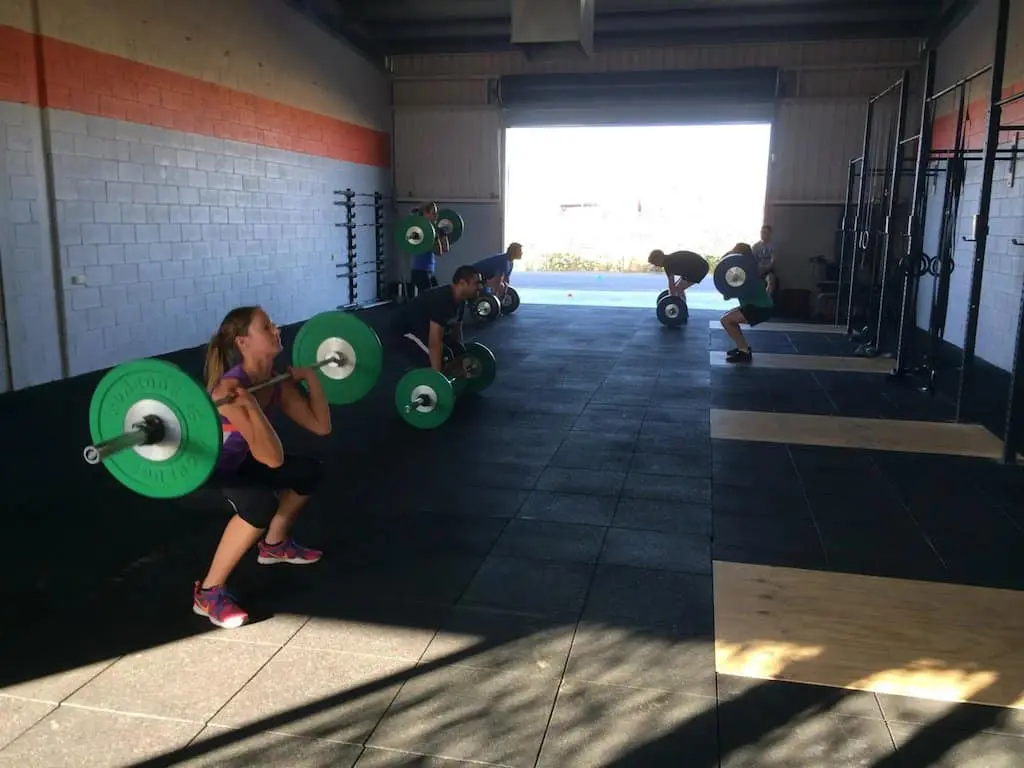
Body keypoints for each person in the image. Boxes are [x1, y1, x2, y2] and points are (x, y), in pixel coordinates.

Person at [192, 306, 332, 629]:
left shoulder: (273, 381)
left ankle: (274, 545)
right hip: (212, 470)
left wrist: (312, 379)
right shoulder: (229, 390)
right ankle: (209, 592)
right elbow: (272, 459)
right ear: (243, 342)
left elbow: (320, 425)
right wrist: (252, 406)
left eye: (273, 324)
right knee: (259, 504)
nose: (276, 328)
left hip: (242, 462)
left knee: (310, 471)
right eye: (266, 327)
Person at [390, 264, 483, 373]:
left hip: (425, 329)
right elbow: (434, 342)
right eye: (476, 283)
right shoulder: (441, 299)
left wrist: (460, 354)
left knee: (458, 352)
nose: (480, 287)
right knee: (442, 358)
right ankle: (424, 378)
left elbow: (457, 330)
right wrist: (438, 378)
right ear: (462, 283)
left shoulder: (461, 301)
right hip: (405, 332)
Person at [719, 243, 774, 364]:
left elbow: (729, 294)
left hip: (759, 308)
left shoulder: (745, 273)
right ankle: (743, 348)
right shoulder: (748, 269)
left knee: (726, 320)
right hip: (757, 306)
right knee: (728, 318)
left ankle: (744, 352)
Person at [409, 201, 444, 296]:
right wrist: (436, 236)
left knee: (432, 297)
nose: (436, 216)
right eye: (433, 213)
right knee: (429, 300)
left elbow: (444, 249)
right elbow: (438, 252)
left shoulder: (426, 229)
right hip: (421, 272)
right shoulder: (424, 231)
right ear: (425, 214)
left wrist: (442, 234)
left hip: (424, 271)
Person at [752, 224, 778, 297]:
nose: (763, 234)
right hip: (757, 270)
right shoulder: (756, 246)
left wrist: (766, 268)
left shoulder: (773, 246)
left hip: (768, 271)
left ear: (769, 234)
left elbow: (773, 260)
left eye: (765, 233)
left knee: (771, 281)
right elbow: (752, 260)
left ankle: (767, 299)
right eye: (762, 232)